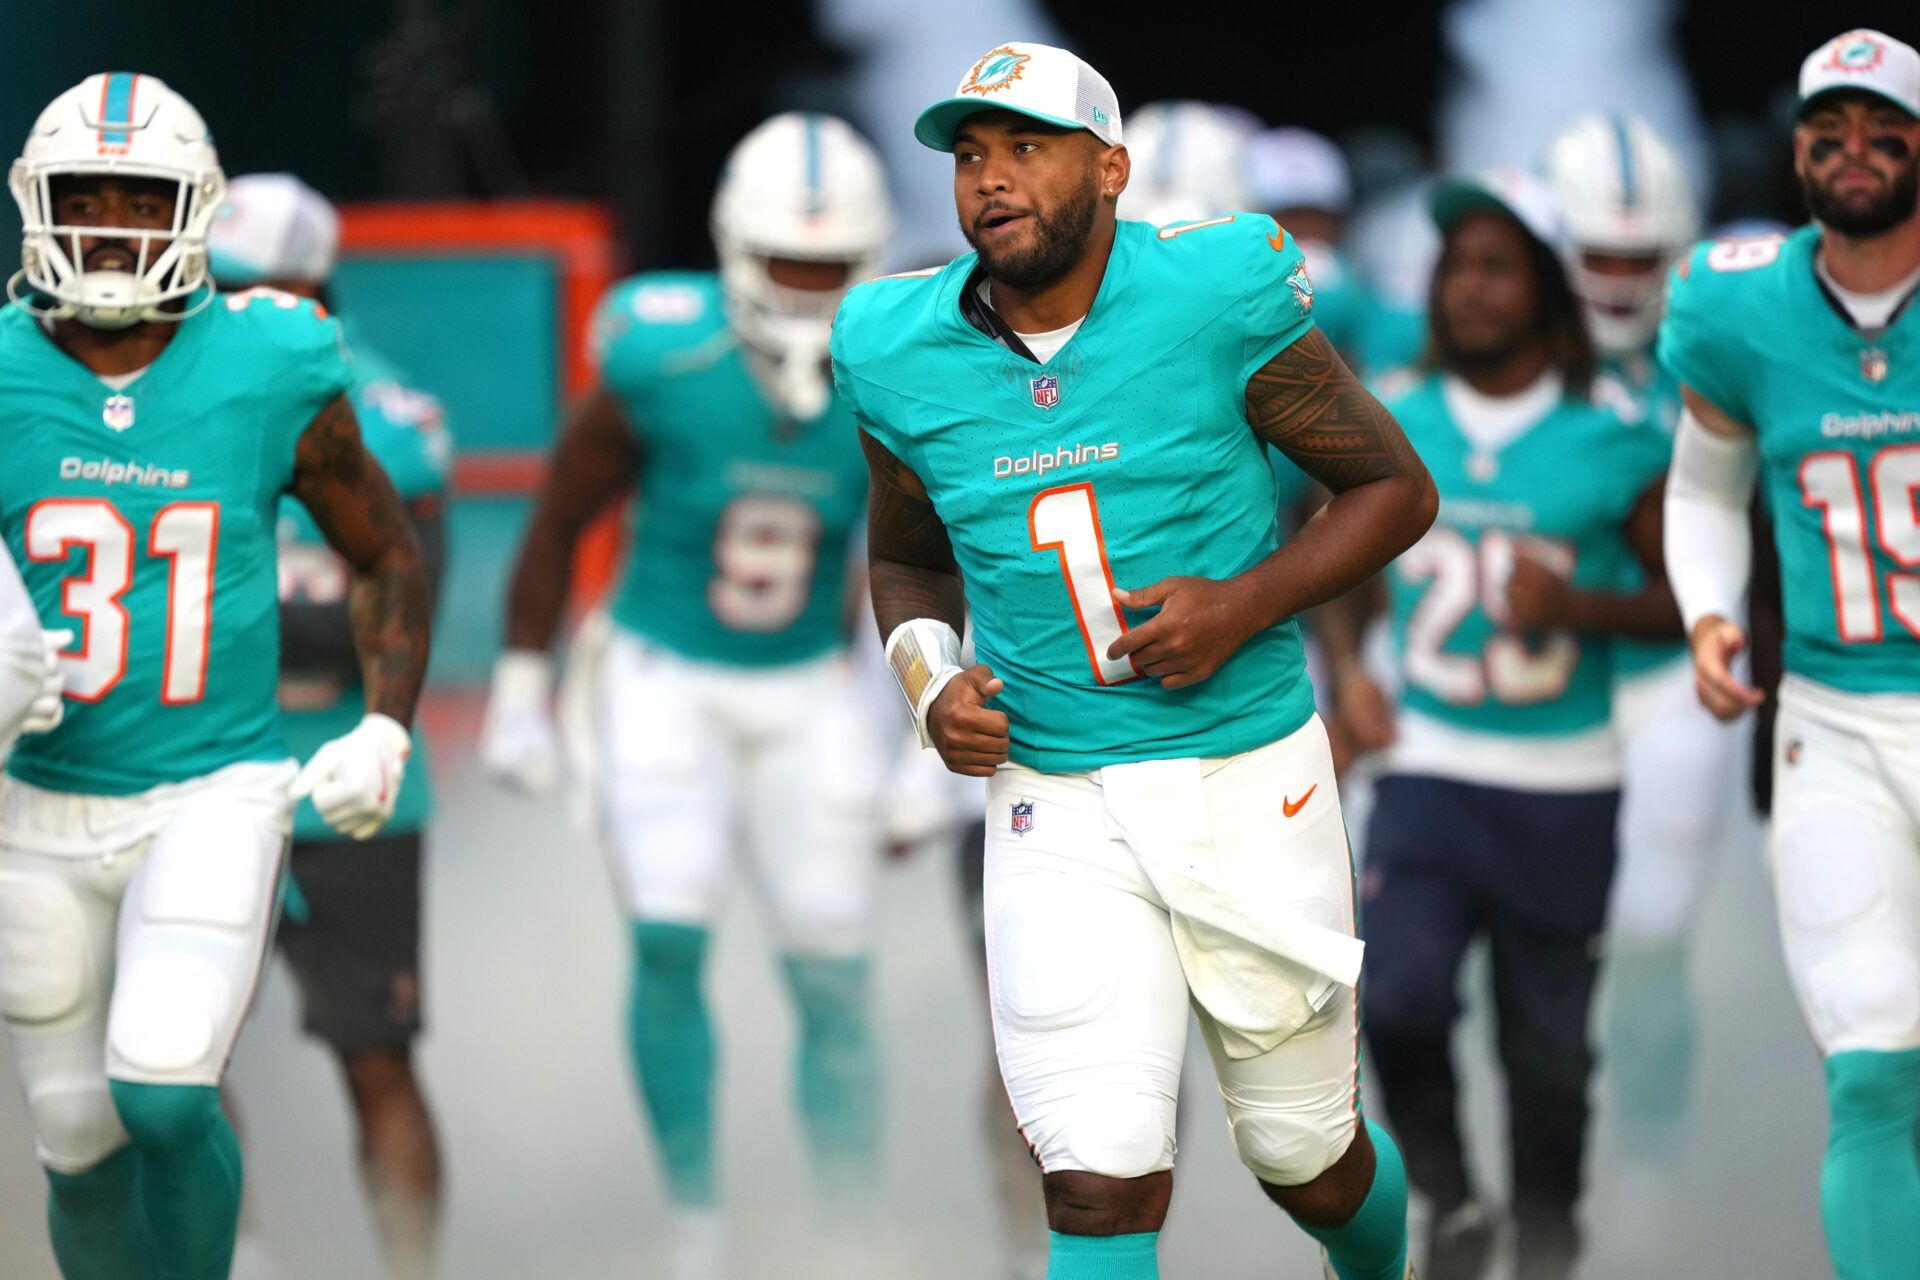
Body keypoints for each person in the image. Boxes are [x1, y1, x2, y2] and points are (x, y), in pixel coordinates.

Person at [832, 41, 1435, 1280]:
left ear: (1111, 169)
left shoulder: (1215, 291)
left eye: (1027, 148)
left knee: (1306, 1160)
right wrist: (930, 680)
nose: (991, 179)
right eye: (970, 154)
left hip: (1246, 770)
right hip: (1057, 798)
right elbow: (907, 561)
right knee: (1099, 1180)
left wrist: (1240, 603)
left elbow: (1391, 489)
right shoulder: (895, 340)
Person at [0, 73, 431, 1280]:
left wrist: (385, 726)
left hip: (211, 787)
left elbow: (386, 549)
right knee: (76, 1140)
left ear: (191, 214)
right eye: (80, 196)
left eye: (135, 199)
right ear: (33, 204)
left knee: (167, 1094)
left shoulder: (272, 356)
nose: (104, 225)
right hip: (32, 800)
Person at [480, 112, 892, 1279]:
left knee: (832, 965)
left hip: (812, 687)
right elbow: (562, 514)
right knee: (668, 936)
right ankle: (698, 1227)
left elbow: (934, 558)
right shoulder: (663, 356)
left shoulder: (895, 371)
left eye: (830, 269)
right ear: (733, 252)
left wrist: (912, 728)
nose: (807, 296)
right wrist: (521, 682)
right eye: (787, 266)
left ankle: (852, 1227)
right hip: (663, 673)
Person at [1329, 169, 1678, 1280]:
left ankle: (1544, 1240)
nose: (1468, 288)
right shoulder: (1390, 409)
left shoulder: (1617, 433)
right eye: (1454, 264)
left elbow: (1693, 598)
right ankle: (1448, 1196)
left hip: (1566, 783)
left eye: (1496, 265)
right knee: (1396, 996)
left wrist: (1581, 605)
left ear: (1548, 287)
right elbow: (1325, 547)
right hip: (1427, 769)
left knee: (1551, 1063)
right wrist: (1347, 669)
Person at [1659, 29, 1920, 1278]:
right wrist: (1711, 610)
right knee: (1872, 1067)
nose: (1855, 151)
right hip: (1837, 717)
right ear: (1799, 147)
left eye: (1886, 129)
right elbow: (1704, 488)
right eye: (1832, 129)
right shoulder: (1737, 301)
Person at [208, 172, 453, 1280]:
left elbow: (408, 596)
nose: (243, 304)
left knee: (378, 1056)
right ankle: (240, 1259)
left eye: (267, 285)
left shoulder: (386, 411)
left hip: (354, 767)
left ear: (317, 287)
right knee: (176, 1066)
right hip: (203, 769)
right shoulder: (173, 397)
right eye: (226, 284)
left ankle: (411, 1269)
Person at [1541, 113, 1747, 1172]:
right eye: (1599, 256)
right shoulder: (1472, 326)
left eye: (1641, 258)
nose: (1620, 283)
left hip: (1669, 671)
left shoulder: (1724, 334)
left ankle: (1653, 1161)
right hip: (1522, 688)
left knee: (1654, 929)